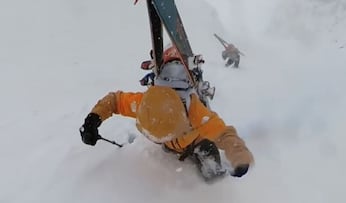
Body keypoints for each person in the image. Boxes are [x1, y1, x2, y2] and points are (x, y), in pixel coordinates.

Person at [79, 45, 254, 179]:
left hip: (194, 143)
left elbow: (224, 134)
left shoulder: (194, 110)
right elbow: (115, 101)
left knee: (211, 170)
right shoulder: (145, 103)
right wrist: (93, 119)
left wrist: (240, 156)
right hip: (169, 147)